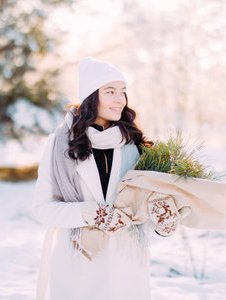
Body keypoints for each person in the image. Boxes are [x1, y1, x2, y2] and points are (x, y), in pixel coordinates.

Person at [33, 57, 153, 300]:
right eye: (110, 91)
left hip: (125, 265)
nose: (120, 99)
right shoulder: (59, 144)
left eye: (123, 91)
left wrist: (164, 216)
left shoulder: (134, 145)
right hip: (79, 263)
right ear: (91, 97)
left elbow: (144, 209)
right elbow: (42, 208)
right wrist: (90, 213)